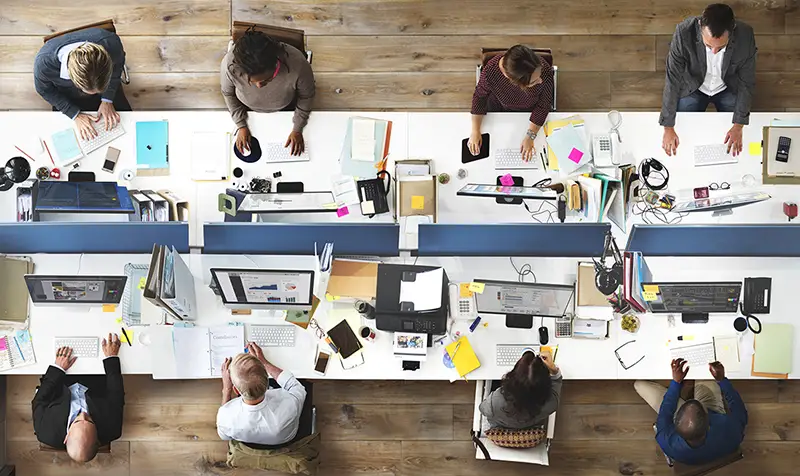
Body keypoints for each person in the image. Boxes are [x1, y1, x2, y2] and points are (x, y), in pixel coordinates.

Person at [660, 3, 757, 157]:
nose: (714, 51)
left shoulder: (745, 35)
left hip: (728, 87)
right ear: (700, 27)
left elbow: (747, 82)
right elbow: (673, 79)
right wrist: (668, 128)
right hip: (693, 86)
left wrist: (738, 126)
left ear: (732, 31)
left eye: (720, 48)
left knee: (739, 144)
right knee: (684, 137)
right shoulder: (683, 32)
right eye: (708, 45)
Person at [32, 333, 124, 463]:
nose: (84, 414)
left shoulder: (45, 432)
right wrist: (111, 358)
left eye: (76, 421)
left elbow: (39, 400)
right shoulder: (112, 429)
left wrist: (58, 368)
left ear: (66, 437)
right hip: (94, 374)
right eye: (90, 421)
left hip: (61, 377)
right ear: (97, 438)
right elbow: (116, 393)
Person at [635, 359, 748, 466]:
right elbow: (737, 406)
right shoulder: (732, 431)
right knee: (706, 366)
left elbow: (666, 410)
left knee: (638, 384)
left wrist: (676, 383)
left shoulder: (667, 440)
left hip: (694, 457)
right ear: (709, 423)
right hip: (718, 443)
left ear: (675, 424)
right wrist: (722, 380)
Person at [221, 30, 315, 157]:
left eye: (267, 80)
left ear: (276, 64)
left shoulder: (298, 65)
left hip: (285, 108)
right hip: (247, 109)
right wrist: (241, 125)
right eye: (251, 81)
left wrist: (297, 129)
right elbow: (228, 94)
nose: (259, 86)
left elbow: (306, 96)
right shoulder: (229, 65)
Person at [34, 28, 131, 141]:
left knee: (129, 128)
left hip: (108, 87)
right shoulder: (44, 63)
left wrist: (107, 99)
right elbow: (44, 90)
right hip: (67, 96)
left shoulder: (112, 43)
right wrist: (75, 114)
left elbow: (118, 66)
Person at [468, 45, 555, 163]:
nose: (540, 81)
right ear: (513, 81)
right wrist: (475, 130)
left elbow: (543, 105)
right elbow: (480, 97)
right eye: (534, 81)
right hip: (499, 108)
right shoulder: (490, 72)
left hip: (530, 111)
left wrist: (530, 136)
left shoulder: (543, 70)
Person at [216, 342, 307, 446]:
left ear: (236, 391)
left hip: (251, 446)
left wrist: (226, 389)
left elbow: (223, 436)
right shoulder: (288, 405)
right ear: (268, 383)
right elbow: (298, 388)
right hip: (286, 439)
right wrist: (264, 363)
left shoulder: (225, 418)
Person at [479, 349, 561, 428]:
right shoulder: (552, 402)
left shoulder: (494, 401)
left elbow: (482, 409)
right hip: (531, 427)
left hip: (502, 427)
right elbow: (556, 382)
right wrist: (553, 370)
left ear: (513, 377)